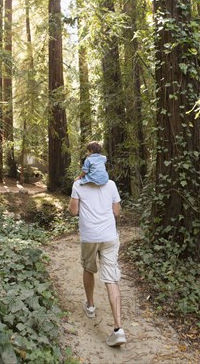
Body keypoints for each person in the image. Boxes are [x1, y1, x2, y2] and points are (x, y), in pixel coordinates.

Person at [69, 142, 126, 347]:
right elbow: (117, 212)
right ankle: (119, 329)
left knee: (88, 268)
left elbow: (73, 211)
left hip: (89, 236)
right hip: (110, 236)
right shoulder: (110, 184)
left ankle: (91, 306)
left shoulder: (78, 184)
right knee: (112, 279)